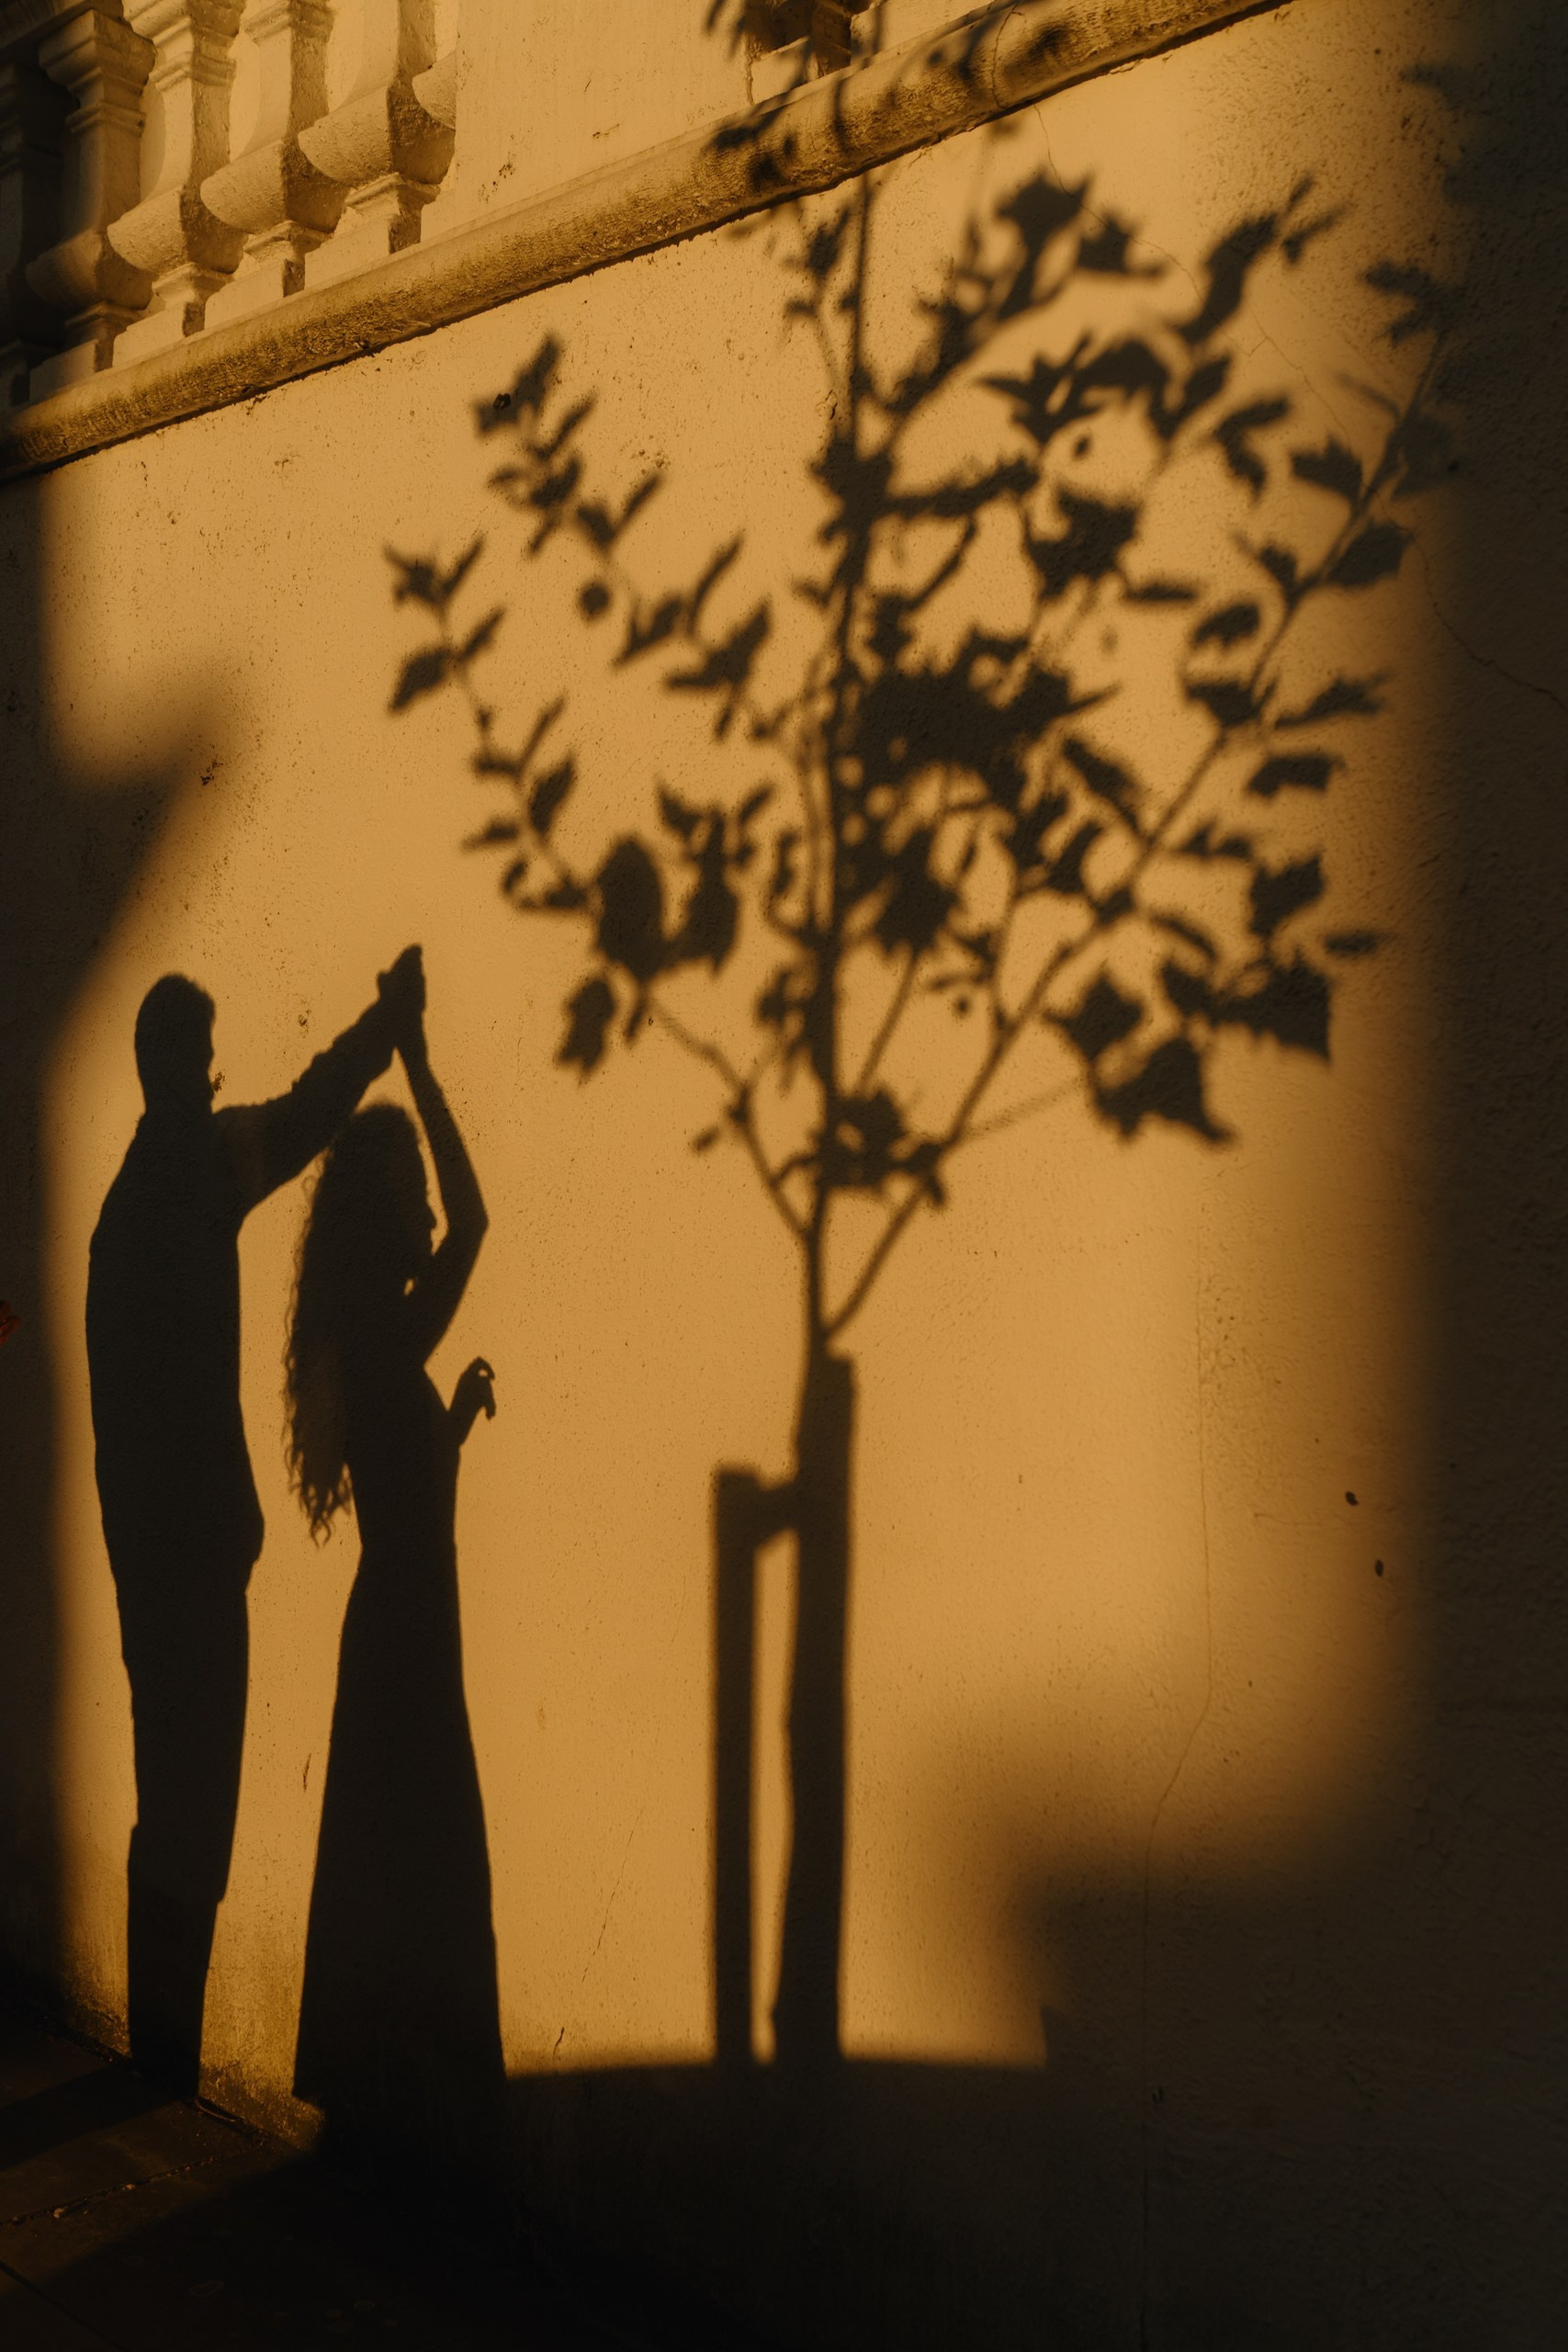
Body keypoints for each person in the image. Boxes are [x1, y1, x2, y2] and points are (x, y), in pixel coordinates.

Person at [86, 950, 422, 2093]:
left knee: (164, 1791)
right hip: (196, 1555)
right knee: (199, 1804)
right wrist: (387, 1024)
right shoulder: (203, 1168)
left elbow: (110, 1420)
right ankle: (164, 2072)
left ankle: (154, 2059)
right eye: (209, 1058)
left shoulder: (117, 1219)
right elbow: (319, 1108)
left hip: (146, 1555)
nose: (217, 1078)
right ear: (187, 1068)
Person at [287, 963, 505, 2187]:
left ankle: (381, 2120)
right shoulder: (381, 1329)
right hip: (412, 1637)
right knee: (425, 1870)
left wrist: (453, 1425)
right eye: (409, 1202)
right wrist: (417, 1059)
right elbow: (478, 1222)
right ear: (386, 1220)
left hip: (402, 1624)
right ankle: (418, 2136)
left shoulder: (367, 1334)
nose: (429, 1220)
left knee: (397, 1865)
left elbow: (407, 1492)